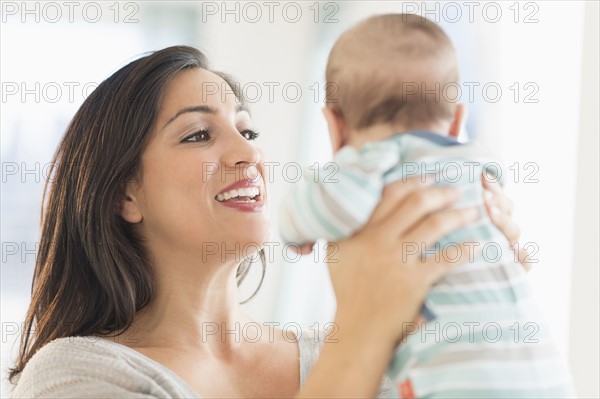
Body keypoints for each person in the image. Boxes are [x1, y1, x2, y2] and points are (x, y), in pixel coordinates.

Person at [9, 45, 526, 398]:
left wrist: (484, 292)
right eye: (198, 135)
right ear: (125, 194)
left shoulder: (338, 354)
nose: (247, 155)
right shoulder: (74, 376)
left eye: (248, 131)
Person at [278, 14, 575, 398]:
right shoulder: (479, 165)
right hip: (546, 374)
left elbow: (328, 207)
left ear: (335, 127)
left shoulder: (373, 163)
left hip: (458, 383)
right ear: (457, 123)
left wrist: (294, 231)